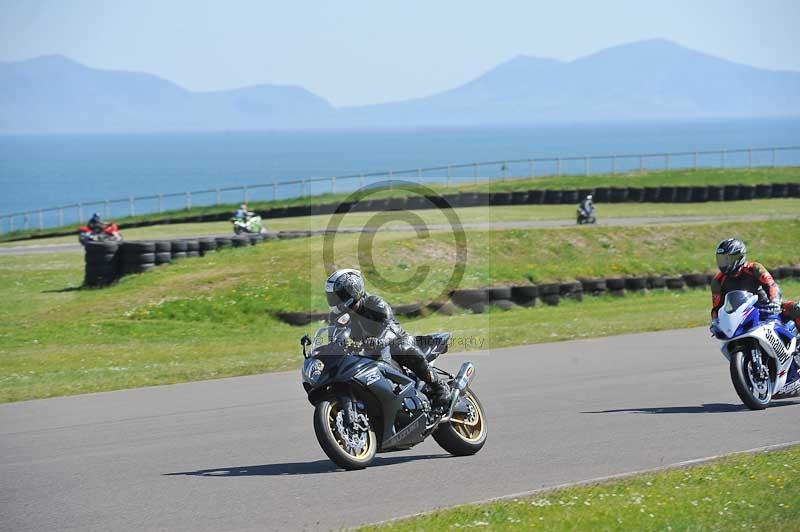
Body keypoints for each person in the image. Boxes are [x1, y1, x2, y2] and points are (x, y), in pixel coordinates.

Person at [325, 269, 451, 410]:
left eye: (340, 295)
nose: (336, 301)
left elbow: (390, 326)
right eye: (333, 297)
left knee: (402, 348)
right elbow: (334, 338)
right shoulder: (337, 316)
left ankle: (439, 386)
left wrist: (380, 341)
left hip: (395, 340)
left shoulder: (374, 303)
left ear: (353, 290)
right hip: (369, 351)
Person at [710, 238, 783, 319]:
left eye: (726, 259)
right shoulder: (718, 280)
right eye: (721, 260)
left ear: (738, 256)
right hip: (740, 319)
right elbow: (716, 308)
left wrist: (775, 301)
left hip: (766, 311)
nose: (723, 264)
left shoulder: (754, 268)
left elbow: (771, 285)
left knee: (792, 307)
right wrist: (716, 321)